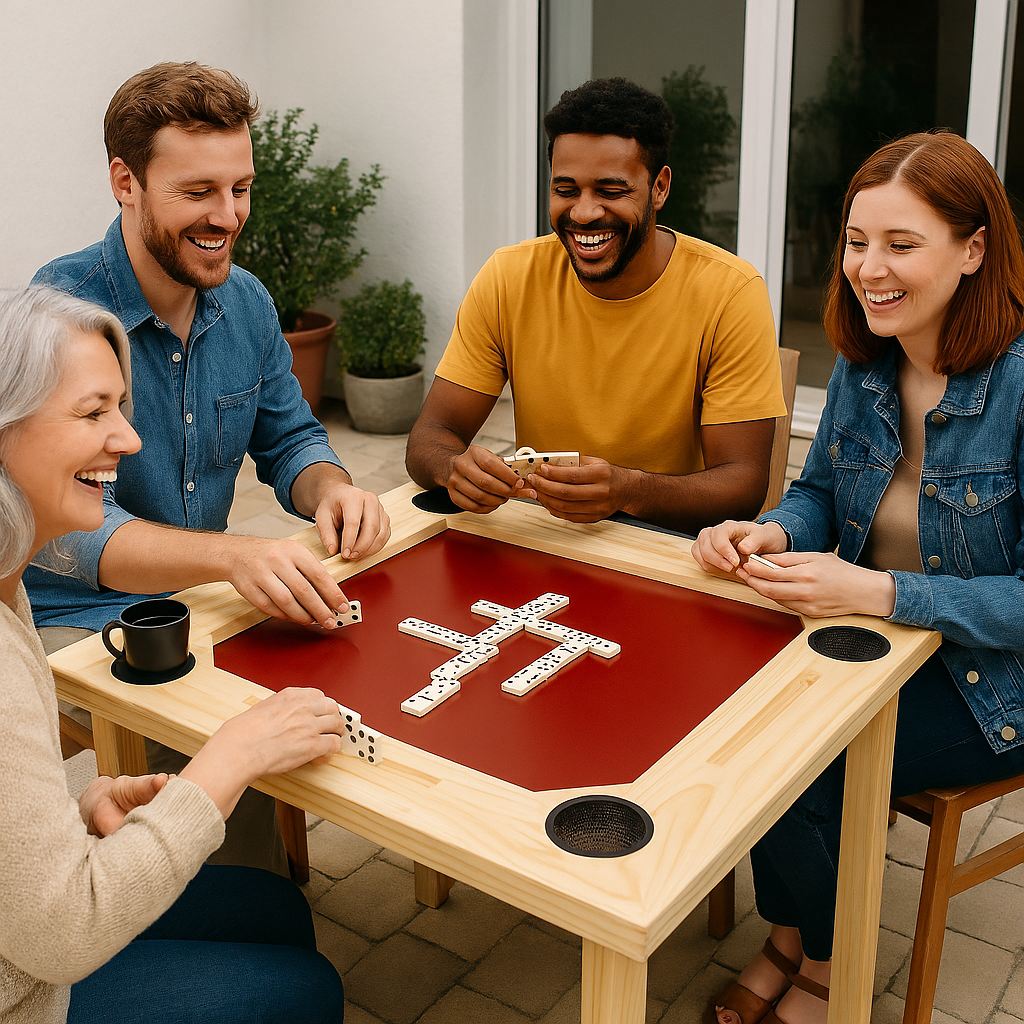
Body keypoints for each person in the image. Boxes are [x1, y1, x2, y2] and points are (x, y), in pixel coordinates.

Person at [691, 131, 1024, 1024]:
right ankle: (803, 938)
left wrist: (881, 592)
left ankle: (823, 970)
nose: (869, 269)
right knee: (732, 717)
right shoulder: (866, 359)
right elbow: (819, 490)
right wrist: (767, 532)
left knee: (795, 767)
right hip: (878, 640)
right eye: (855, 241)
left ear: (974, 248)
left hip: (995, 679)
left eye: (901, 245)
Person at [28, 62, 390, 873]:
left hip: (194, 598)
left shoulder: (250, 304)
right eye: (198, 193)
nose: (227, 217)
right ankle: (224, 930)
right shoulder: (59, 318)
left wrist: (334, 489)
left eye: (241, 189)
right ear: (126, 181)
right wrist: (235, 559)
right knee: (233, 727)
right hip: (64, 617)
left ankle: (254, 903)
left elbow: (291, 438)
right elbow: (77, 536)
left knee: (350, 663)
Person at [0, 286, 347, 1023]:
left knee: (273, 907)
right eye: (94, 413)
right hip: (26, 997)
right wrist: (229, 760)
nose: (128, 439)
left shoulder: (8, 580)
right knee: (310, 990)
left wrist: (74, 809)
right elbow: (61, 935)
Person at [405, 77, 787, 533]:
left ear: (659, 188)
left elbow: (744, 486)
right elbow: (428, 439)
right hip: (542, 538)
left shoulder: (730, 291)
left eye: (610, 191)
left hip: (666, 547)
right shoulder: (509, 277)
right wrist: (452, 468)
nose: (584, 213)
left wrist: (630, 491)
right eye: (566, 190)